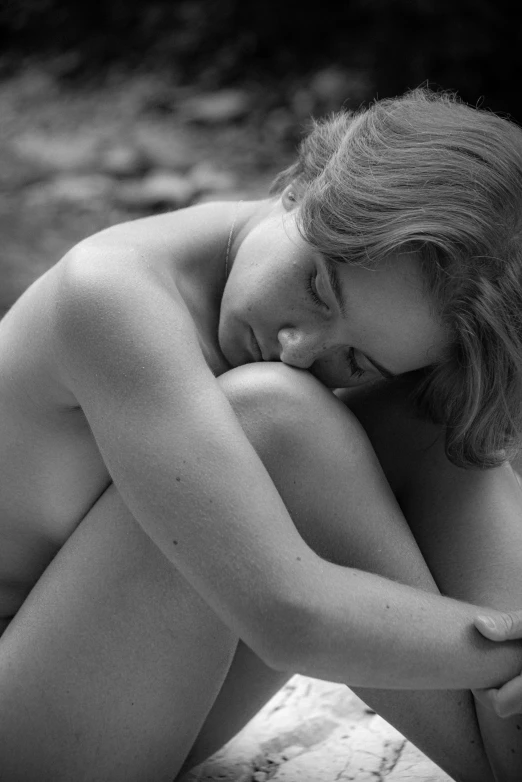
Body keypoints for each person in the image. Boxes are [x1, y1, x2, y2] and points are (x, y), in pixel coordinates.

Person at [0, 87, 522, 782]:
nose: (299, 347)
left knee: (433, 412)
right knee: (274, 414)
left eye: (356, 358)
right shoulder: (109, 295)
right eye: (317, 287)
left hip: (137, 692)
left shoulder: (316, 349)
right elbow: (287, 616)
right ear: (301, 184)